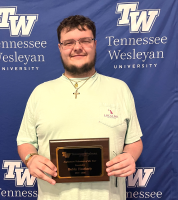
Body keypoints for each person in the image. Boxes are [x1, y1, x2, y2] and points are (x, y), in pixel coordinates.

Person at [17, 15, 143, 200]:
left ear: (95, 44)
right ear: (60, 48)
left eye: (85, 40)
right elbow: (25, 141)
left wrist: (129, 156)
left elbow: (134, 140)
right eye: (69, 42)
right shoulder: (40, 93)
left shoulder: (120, 89)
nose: (77, 47)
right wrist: (30, 159)